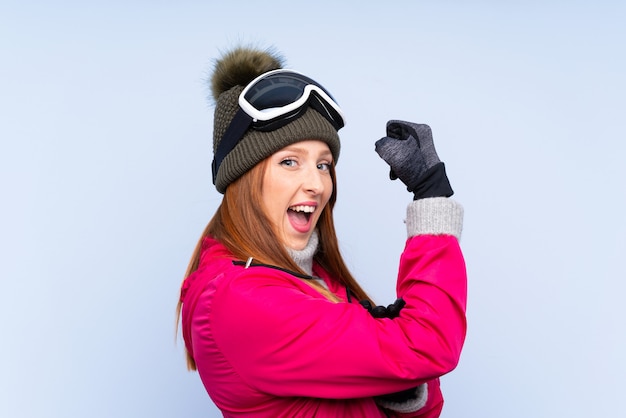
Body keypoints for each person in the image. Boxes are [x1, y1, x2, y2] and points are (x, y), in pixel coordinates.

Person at [176, 46, 467, 418]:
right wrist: (432, 198)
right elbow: (431, 346)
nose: (316, 183)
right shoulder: (241, 301)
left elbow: (424, 395)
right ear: (244, 177)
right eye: (290, 162)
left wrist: (404, 384)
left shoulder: (314, 282)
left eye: (324, 164)